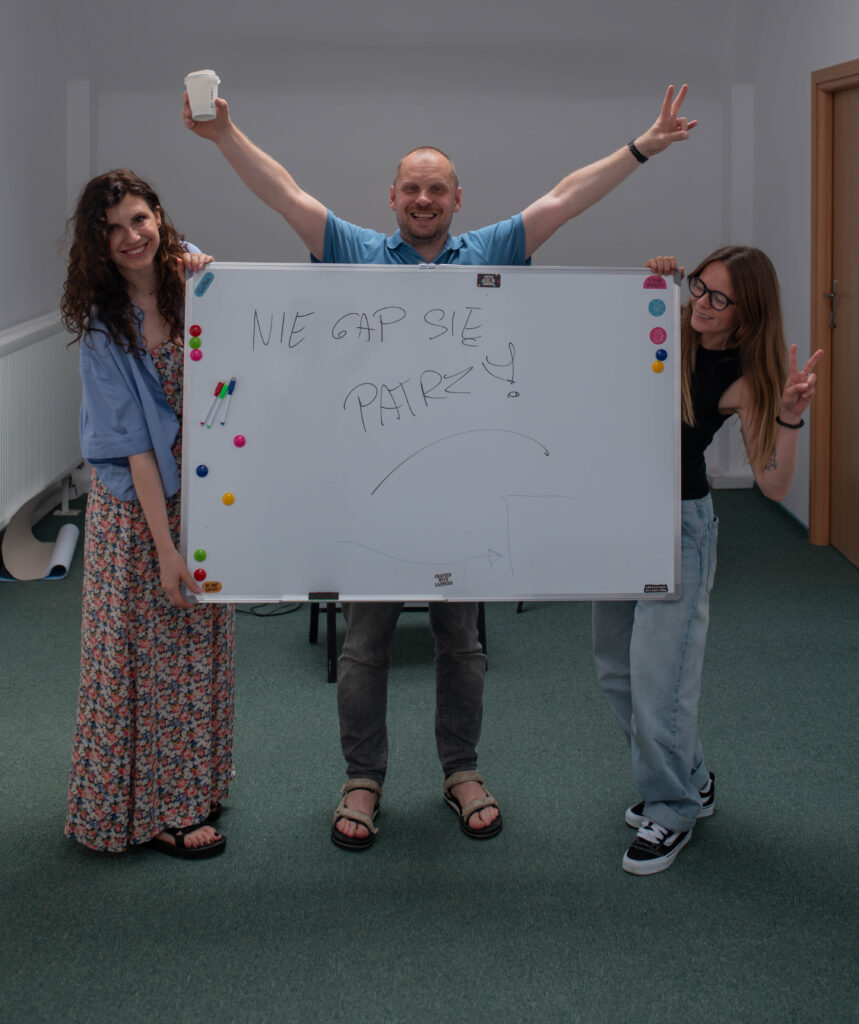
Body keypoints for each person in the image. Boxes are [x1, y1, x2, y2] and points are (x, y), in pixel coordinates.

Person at [184, 84, 697, 850]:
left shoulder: (491, 251)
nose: (423, 200)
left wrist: (642, 146)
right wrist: (225, 134)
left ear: (457, 200)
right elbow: (284, 193)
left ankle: (461, 771)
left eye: (436, 190)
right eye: (411, 189)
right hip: (367, 498)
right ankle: (362, 779)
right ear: (392, 197)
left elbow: (564, 198)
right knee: (364, 648)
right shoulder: (354, 252)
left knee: (462, 645)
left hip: (465, 496)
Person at [593, 248, 823, 875]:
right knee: (617, 671)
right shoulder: (668, 326)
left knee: (660, 680)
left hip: (678, 528)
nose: (702, 303)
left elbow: (773, 484)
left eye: (720, 298)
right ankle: (691, 778)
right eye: (701, 286)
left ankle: (672, 809)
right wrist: (651, 279)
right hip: (619, 519)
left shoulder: (745, 377)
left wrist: (789, 419)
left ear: (747, 312)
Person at [62, 170, 235, 859]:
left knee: (197, 644)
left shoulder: (191, 280)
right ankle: (155, 811)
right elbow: (135, 448)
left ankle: (195, 784)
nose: (130, 237)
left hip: (203, 492)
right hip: (139, 510)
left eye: (138, 219)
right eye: (112, 229)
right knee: (145, 656)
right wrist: (166, 550)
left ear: (158, 215)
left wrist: (210, 278)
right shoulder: (103, 331)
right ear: (97, 244)